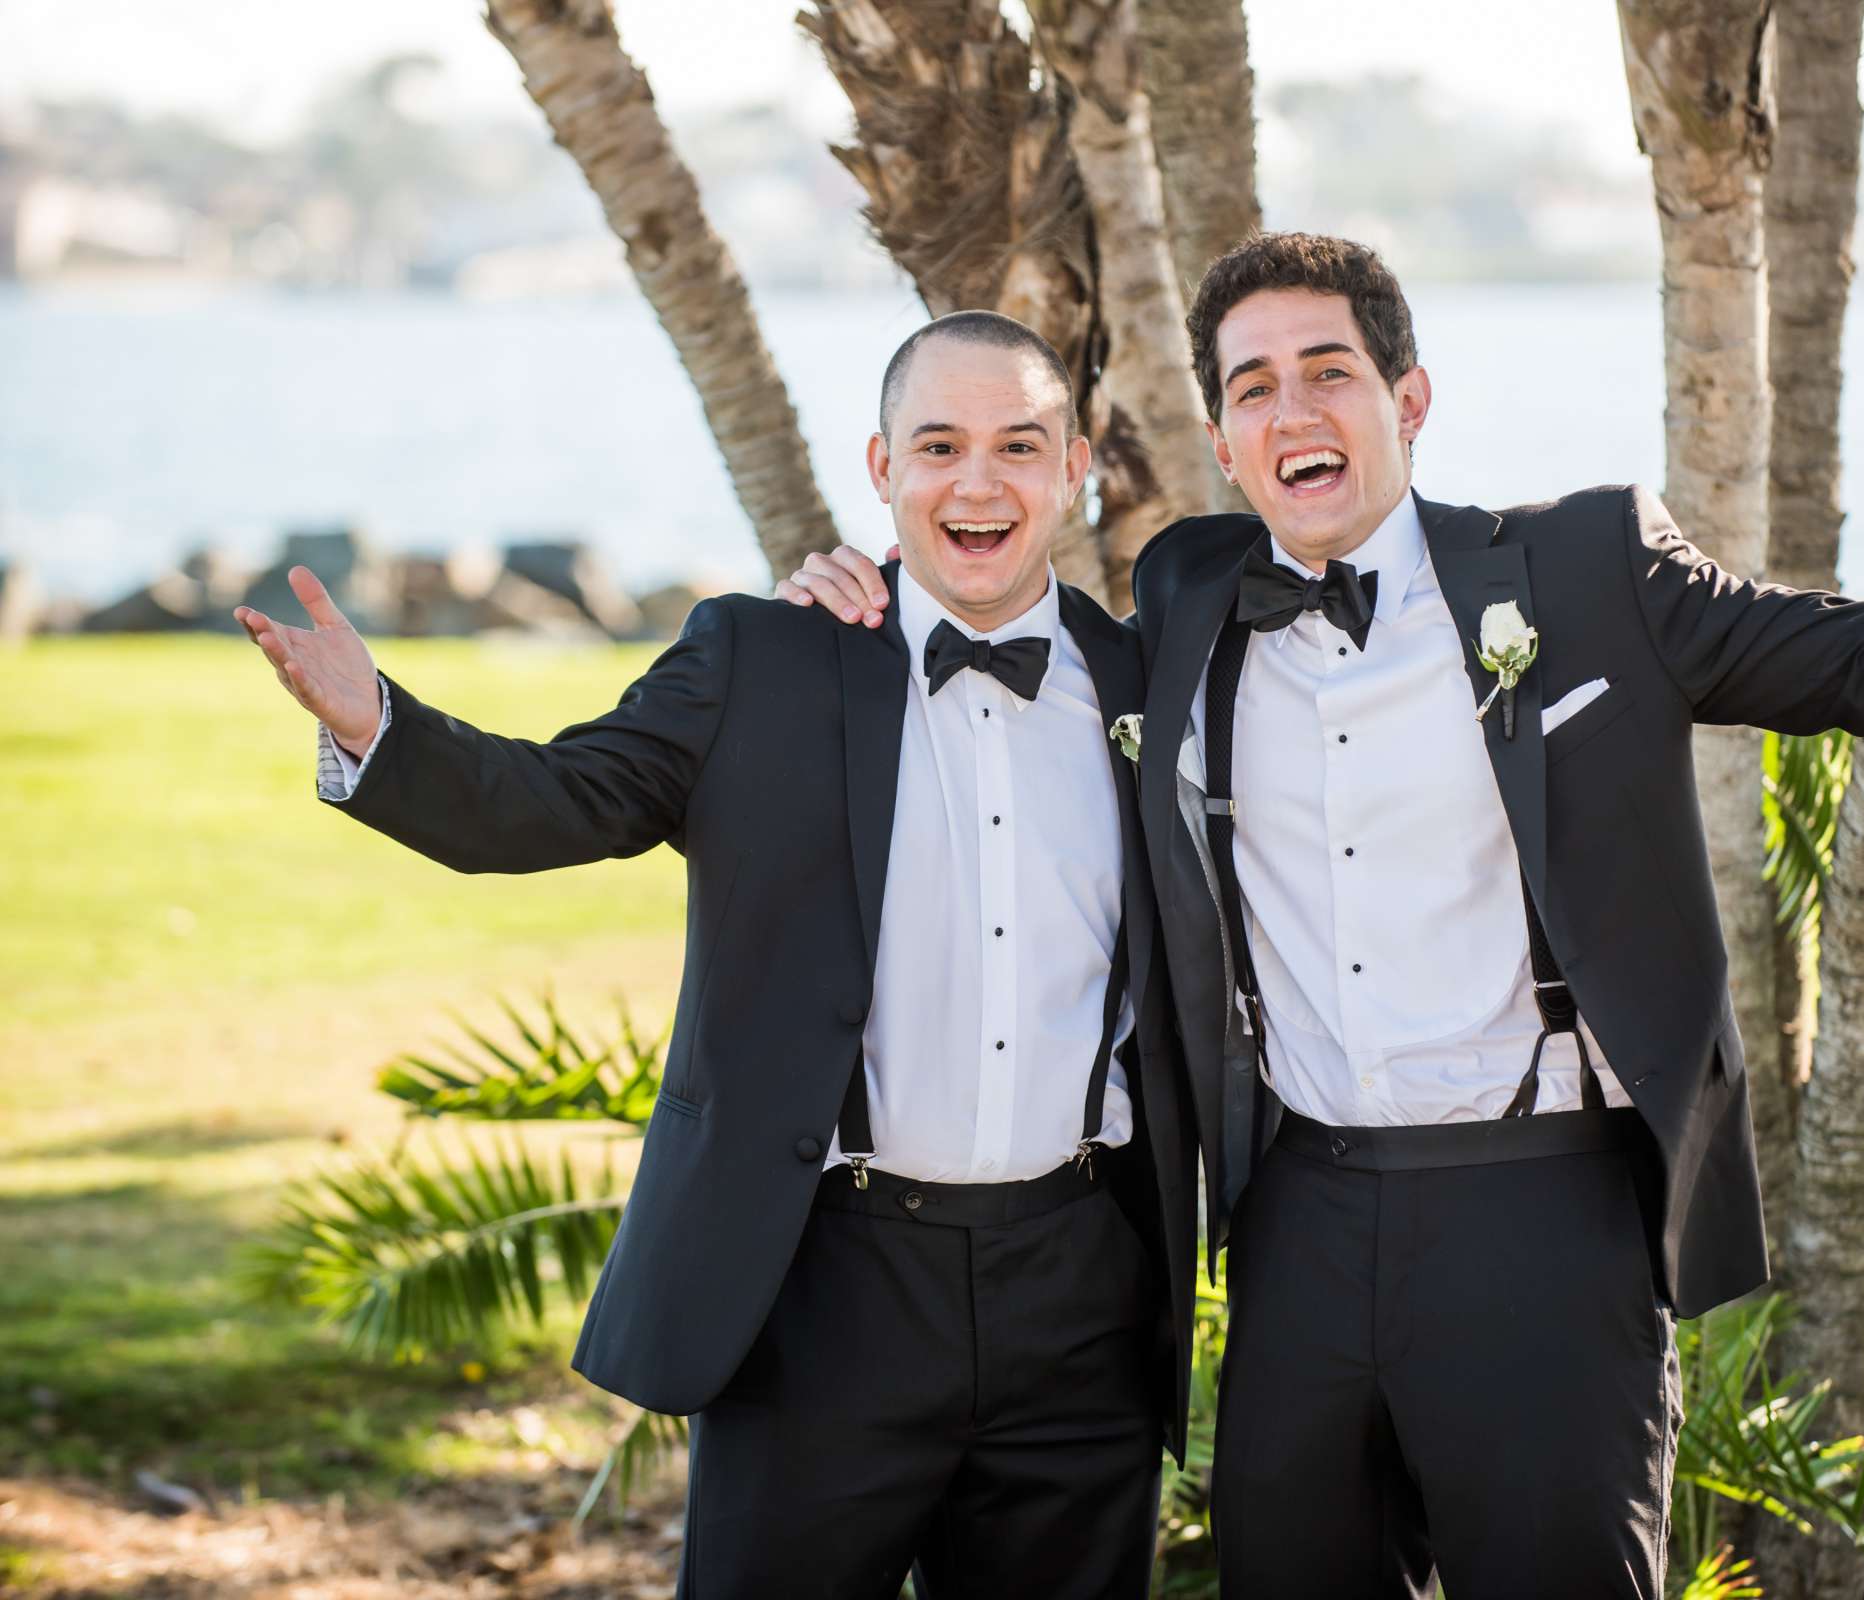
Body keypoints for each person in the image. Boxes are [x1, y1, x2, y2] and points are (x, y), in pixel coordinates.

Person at [785, 234, 1864, 1599]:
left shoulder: (1577, 573)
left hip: (1542, 1216)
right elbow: (1008, 659)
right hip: (1299, 1223)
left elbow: (1853, 660)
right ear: (1223, 436)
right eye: (1252, 387)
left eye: (1330, 371)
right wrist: (849, 604)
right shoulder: (1189, 591)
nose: (1292, 411)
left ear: (1411, 400)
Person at [236, 310, 1193, 1600]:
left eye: (1020, 446)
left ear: (1072, 467)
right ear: (881, 468)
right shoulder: (766, 658)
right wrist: (381, 727)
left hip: (1085, 1288)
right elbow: (559, 802)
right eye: (940, 445)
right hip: (823, 1289)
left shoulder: (1151, 689)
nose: (979, 483)